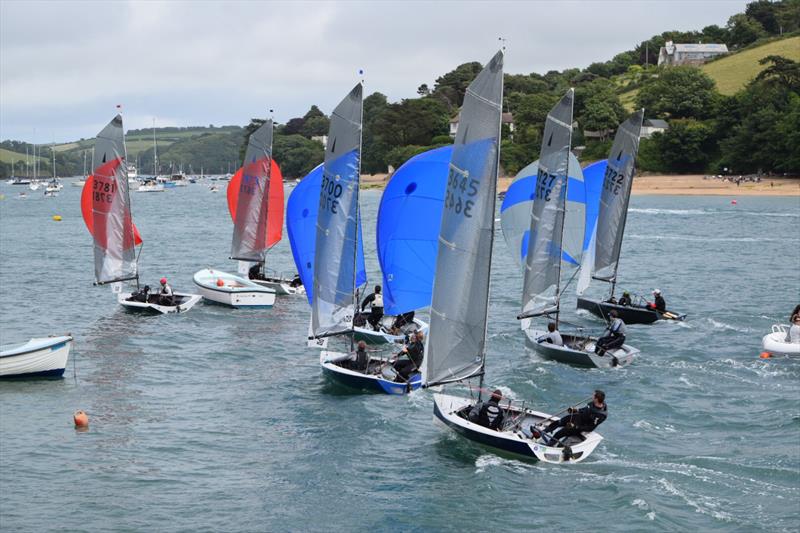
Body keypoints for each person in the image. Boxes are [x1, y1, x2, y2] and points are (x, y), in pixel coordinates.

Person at [539, 390, 607, 446]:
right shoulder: (594, 403)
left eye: (593, 396)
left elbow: (590, 427)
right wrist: (576, 410)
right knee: (558, 422)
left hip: (580, 425)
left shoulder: (600, 415)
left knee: (559, 433)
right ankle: (541, 433)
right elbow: (585, 409)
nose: (591, 397)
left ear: (596, 399)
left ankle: (548, 445)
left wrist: (576, 427)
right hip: (578, 417)